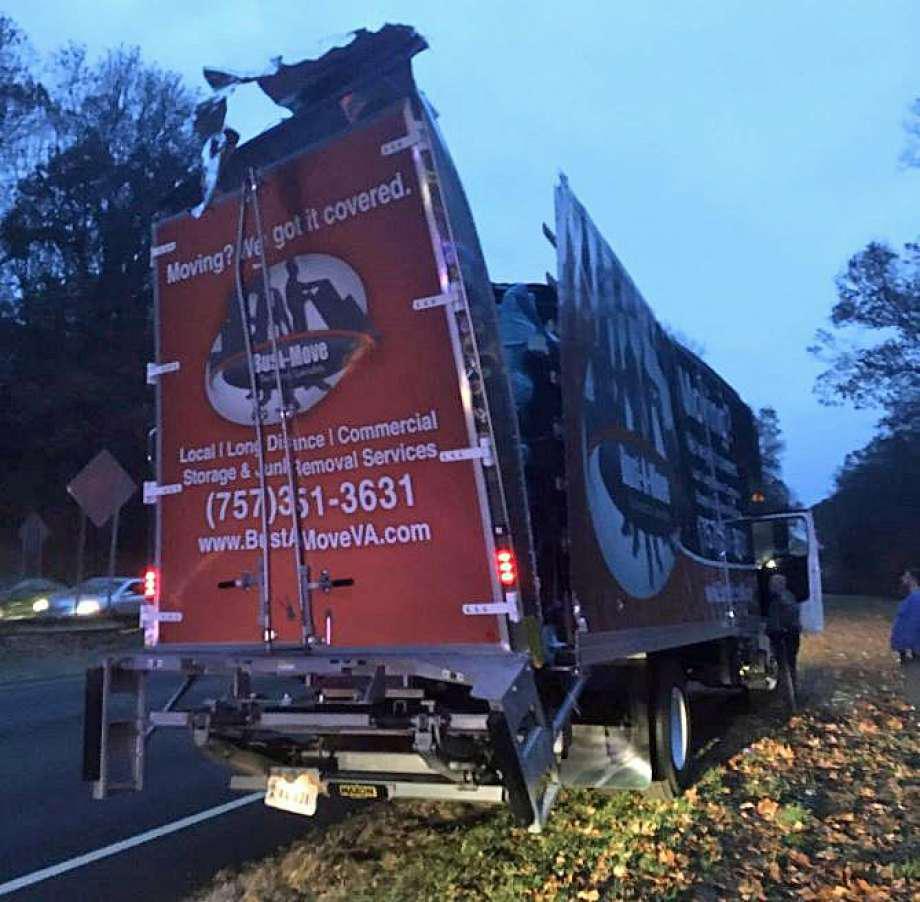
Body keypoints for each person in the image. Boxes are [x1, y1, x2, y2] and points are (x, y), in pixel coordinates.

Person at [891, 566, 920, 708]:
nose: (903, 579)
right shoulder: (912, 598)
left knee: (913, 674)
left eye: (906, 577)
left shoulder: (915, 599)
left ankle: (914, 701)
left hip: (912, 646)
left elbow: (912, 624)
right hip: (910, 645)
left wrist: (905, 646)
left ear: (913, 580)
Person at [766, 572, 801, 691]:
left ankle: (789, 690)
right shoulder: (783, 598)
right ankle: (787, 688)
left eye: (773, 584)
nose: (770, 587)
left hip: (784, 636)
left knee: (786, 663)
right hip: (784, 635)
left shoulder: (783, 598)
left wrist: (777, 630)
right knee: (786, 664)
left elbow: (786, 617)